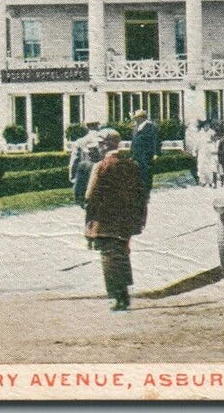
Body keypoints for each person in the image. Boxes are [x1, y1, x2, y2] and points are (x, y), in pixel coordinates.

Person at [84, 129, 148, 311]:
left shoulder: (101, 167)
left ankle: (115, 296)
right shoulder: (131, 165)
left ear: (105, 145)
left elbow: (90, 195)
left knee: (108, 257)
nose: (97, 147)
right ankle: (125, 293)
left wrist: (89, 221)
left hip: (104, 220)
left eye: (99, 143)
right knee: (122, 254)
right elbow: (141, 194)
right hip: (126, 220)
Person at [68, 123, 104, 207]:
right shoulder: (104, 140)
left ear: (87, 127)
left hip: (85, 173)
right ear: (98, 126)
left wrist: (72, 176)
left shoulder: (80, 141)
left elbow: (73, 161)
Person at [130, 109, 160, 198]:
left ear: (142, 118)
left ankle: (146, 193)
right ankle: (140, 193)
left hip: (146, 154)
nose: (135, 119)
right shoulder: (136, 127)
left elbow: (156, 140)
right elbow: (133, 141)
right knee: (138, 174)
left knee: (146, 173)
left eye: (137, 118)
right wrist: (131, 153)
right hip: (137, 155)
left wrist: (155, 153)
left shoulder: (151, 127)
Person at [195, 122, 221, 188]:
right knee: (201, 167)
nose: (207, 127)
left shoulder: (212, 132)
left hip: (209, 153)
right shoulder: (199, 134)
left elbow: (215, 140)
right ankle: (203, 181)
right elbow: (196, 143)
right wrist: (195, 151)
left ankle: (210, 181)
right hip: (202, 152)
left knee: (210, 167)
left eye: (208, 125)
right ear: (203, 126)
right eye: (206, 126)